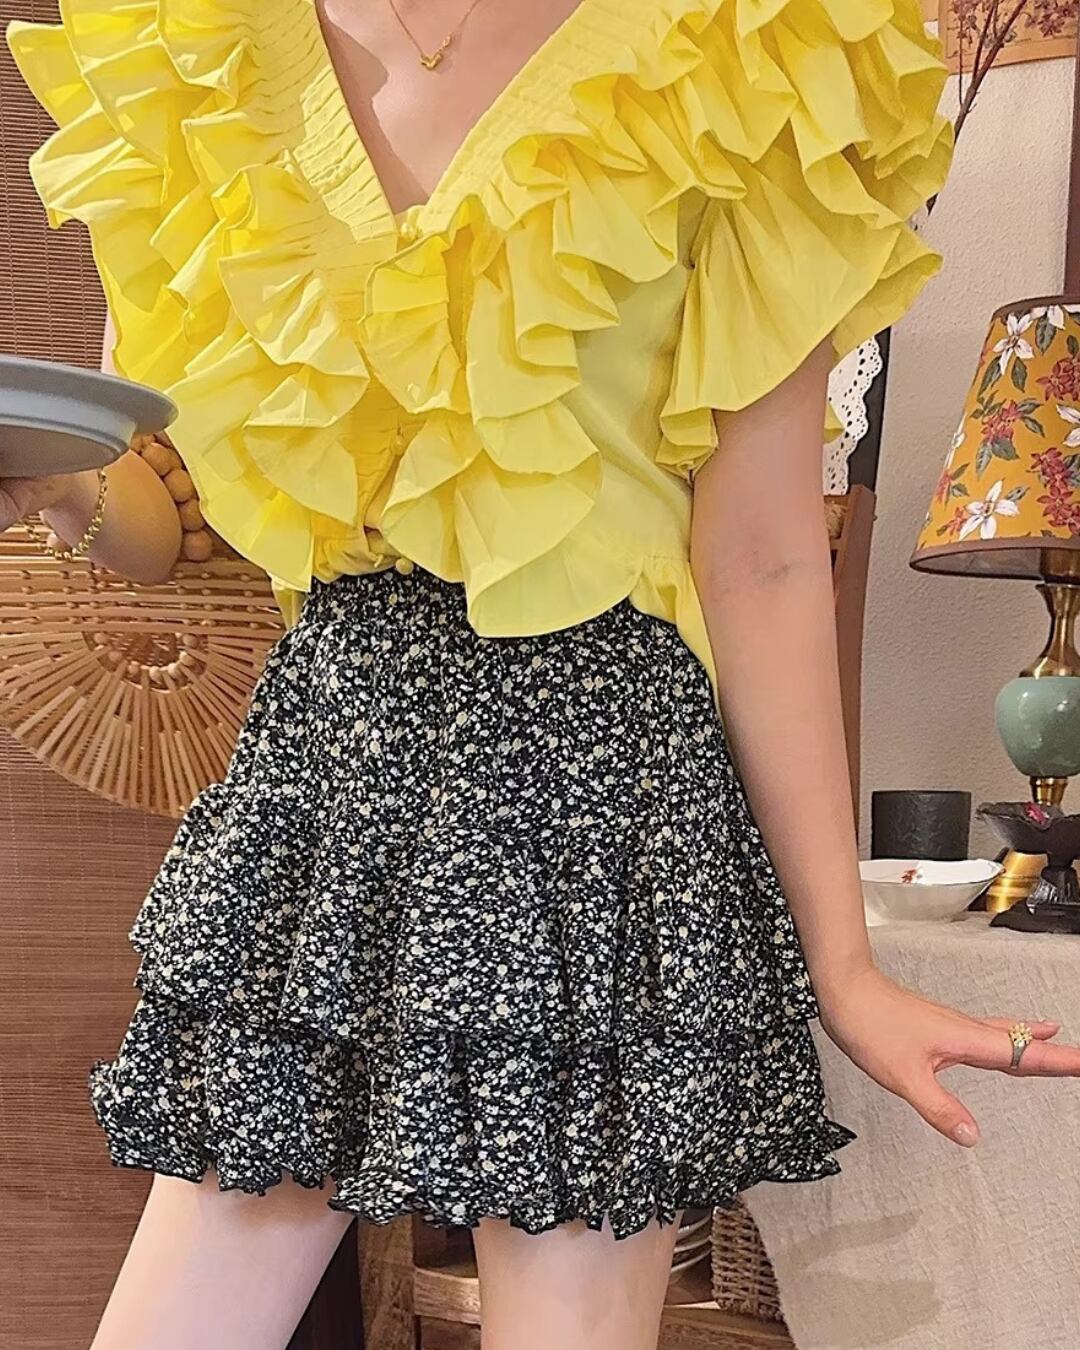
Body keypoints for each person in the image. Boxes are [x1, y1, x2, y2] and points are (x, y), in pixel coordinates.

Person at [3, 2, 1078, 1348]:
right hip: (327, 773)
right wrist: (54, 485)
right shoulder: (194, 43)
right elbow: (160, 510)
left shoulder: (742, 42)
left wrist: (845, 966)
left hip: (599, 786)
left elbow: (761, 560)